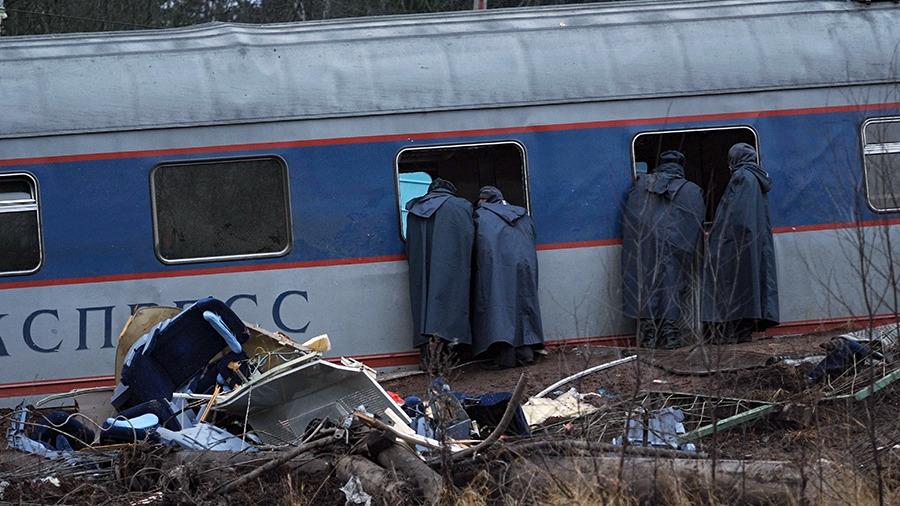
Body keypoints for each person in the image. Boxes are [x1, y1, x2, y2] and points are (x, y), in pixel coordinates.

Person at [622, 150, 705, 349]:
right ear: (681, 167)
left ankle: (648, 336)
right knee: (673, 285)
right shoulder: (691, 190)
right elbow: (695, 222)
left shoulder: (641, 185)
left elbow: (631, 217)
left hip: (645, 246)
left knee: (645, 284)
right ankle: (670, 336)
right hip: (676, 246)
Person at [702, 143, 779, 343]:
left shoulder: (742, 178)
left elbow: (734, 215)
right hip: (751, 243)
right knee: (748, 286)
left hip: (737, 244)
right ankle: (742, 331)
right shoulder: (756, 178)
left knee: (730, 285)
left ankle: (732, 333)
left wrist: (717, 237)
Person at [405, 178, 474, 369]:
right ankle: (451, 359)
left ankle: (428, 360)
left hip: (420, 270)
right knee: (449, 308)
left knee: (424, 310)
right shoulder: (460, 207)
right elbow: (469, 239)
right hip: (451, 267)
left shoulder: (414, 210)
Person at [472, 186, 544, 368]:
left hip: (496, 267)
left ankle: (505, 358)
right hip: (525, 267)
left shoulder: (482, 216)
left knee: (500, 310)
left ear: (484, 200)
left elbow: (480, 244)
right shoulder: (522, 214)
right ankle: (526, 354)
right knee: (523, 307)